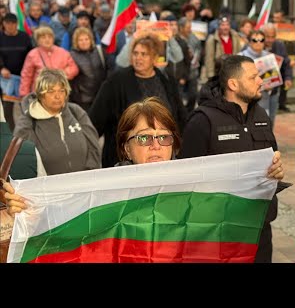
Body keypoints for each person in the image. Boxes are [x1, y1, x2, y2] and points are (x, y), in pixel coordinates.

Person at [179, 55, 286, 263]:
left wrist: (277, 172)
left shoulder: (261, 115)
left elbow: (273, 159)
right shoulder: (203, 121)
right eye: (253, 77)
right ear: (233, 84)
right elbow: (186, 180)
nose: (260, 81)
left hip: (259, 227)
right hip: (220, 232)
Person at [3, 96, 180, 215]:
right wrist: (28, 209)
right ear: (127, 148)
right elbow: (64, 220)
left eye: (164, 137)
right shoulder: (104, 193)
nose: (156, 145)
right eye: (144, 137)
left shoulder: (196, 187)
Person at [89, 34, 186, 168]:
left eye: (144, 54)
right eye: (135, 53)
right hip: (125, 163)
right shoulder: (116, 81)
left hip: (162, 159)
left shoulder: (166, 80)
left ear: (154, 58)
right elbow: (95, 120)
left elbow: (180, 116)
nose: (138, 58)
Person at [13, 69, 101, 176]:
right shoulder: (28, 121)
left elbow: (94, 147)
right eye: (51, 91)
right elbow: (24, 160)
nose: (57, 96)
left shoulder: (76, 112)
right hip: (48, 189)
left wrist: (89, 175)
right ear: (41, 95)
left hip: (83, 184)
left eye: (62, 90)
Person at [19, 26, 79, 97]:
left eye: (50, 37)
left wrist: (60, 74)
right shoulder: (32, 54)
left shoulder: (63, 52)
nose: (47, 40)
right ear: (38, 40)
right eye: (43, 37)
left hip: (59, 94)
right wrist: (24, 94)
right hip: (40, 94)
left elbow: (74, 68)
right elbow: (26, 76)